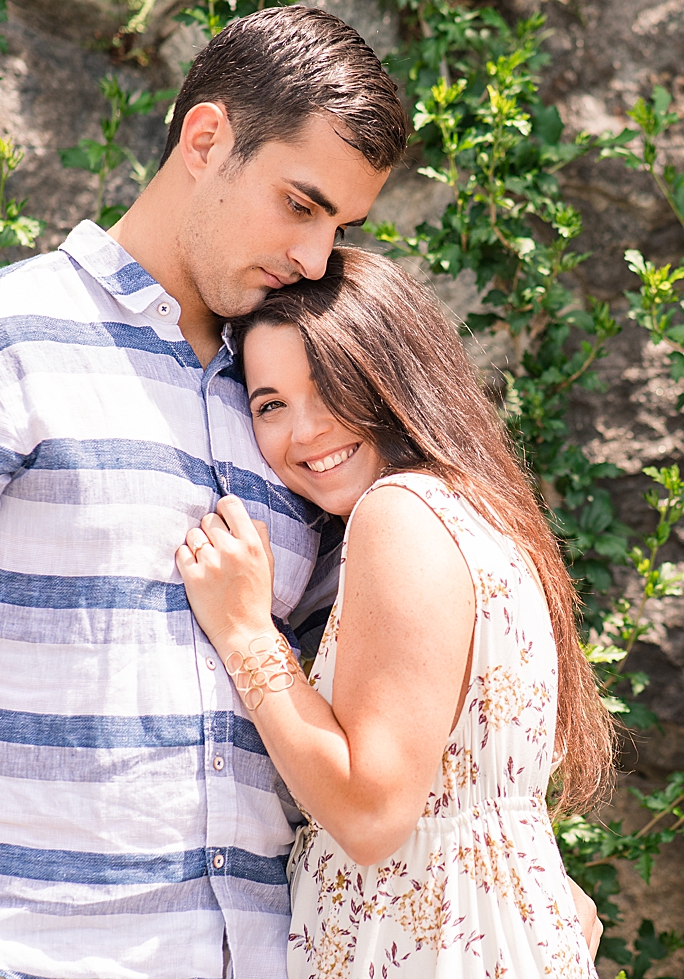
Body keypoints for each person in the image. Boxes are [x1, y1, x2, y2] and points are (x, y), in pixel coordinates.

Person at [0, 5, 410, 979]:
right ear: (205, 139)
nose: (314, 258)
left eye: (341, 226)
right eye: (301, 204)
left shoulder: (305, 421)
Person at [175, 245, 613, 978]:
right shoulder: (479, 511)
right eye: (271, 403)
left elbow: (372, 814)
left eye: (330, 383)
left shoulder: (399, 515)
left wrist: (247, 630)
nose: (305, 429)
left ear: (392, 374)